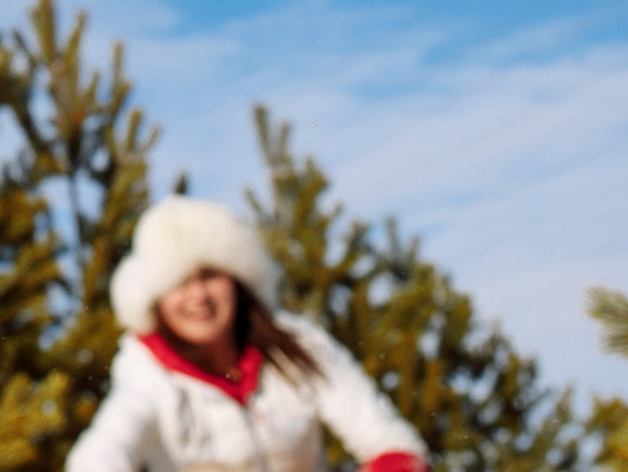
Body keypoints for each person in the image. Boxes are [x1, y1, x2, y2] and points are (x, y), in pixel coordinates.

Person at [65, 197, 428, 472]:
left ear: (239, 278)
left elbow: (386, 438)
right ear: (155, 299)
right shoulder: (146, 373)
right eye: (178, 282)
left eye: (209, 275)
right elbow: (102, 453)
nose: (198, 296)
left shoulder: (298, 345)